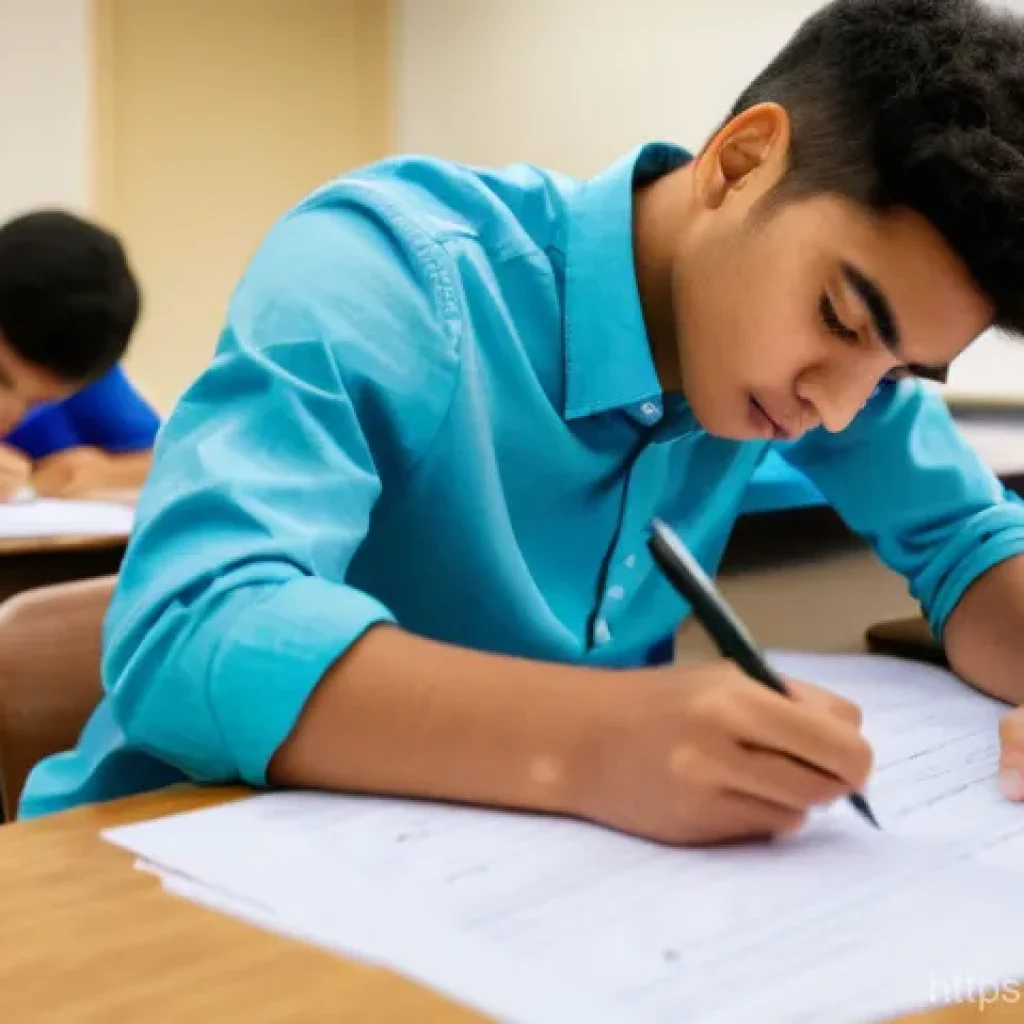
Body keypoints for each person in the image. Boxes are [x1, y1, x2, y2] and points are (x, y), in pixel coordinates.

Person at [18, 0, 1024, 844]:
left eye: (897, 373)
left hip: (492, 890)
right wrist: (595, 740)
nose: (838, 406)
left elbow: (974, 545)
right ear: (741, 162)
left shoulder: (806, 372)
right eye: (842, 320)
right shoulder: (394, 271)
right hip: (159, 869)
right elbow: (186, 632)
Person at [0, 210, 157, 501]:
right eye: (1, 378)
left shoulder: (82, 368)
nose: (7, 414)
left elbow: (179, 461)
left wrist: (107, 472)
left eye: (39, 402)